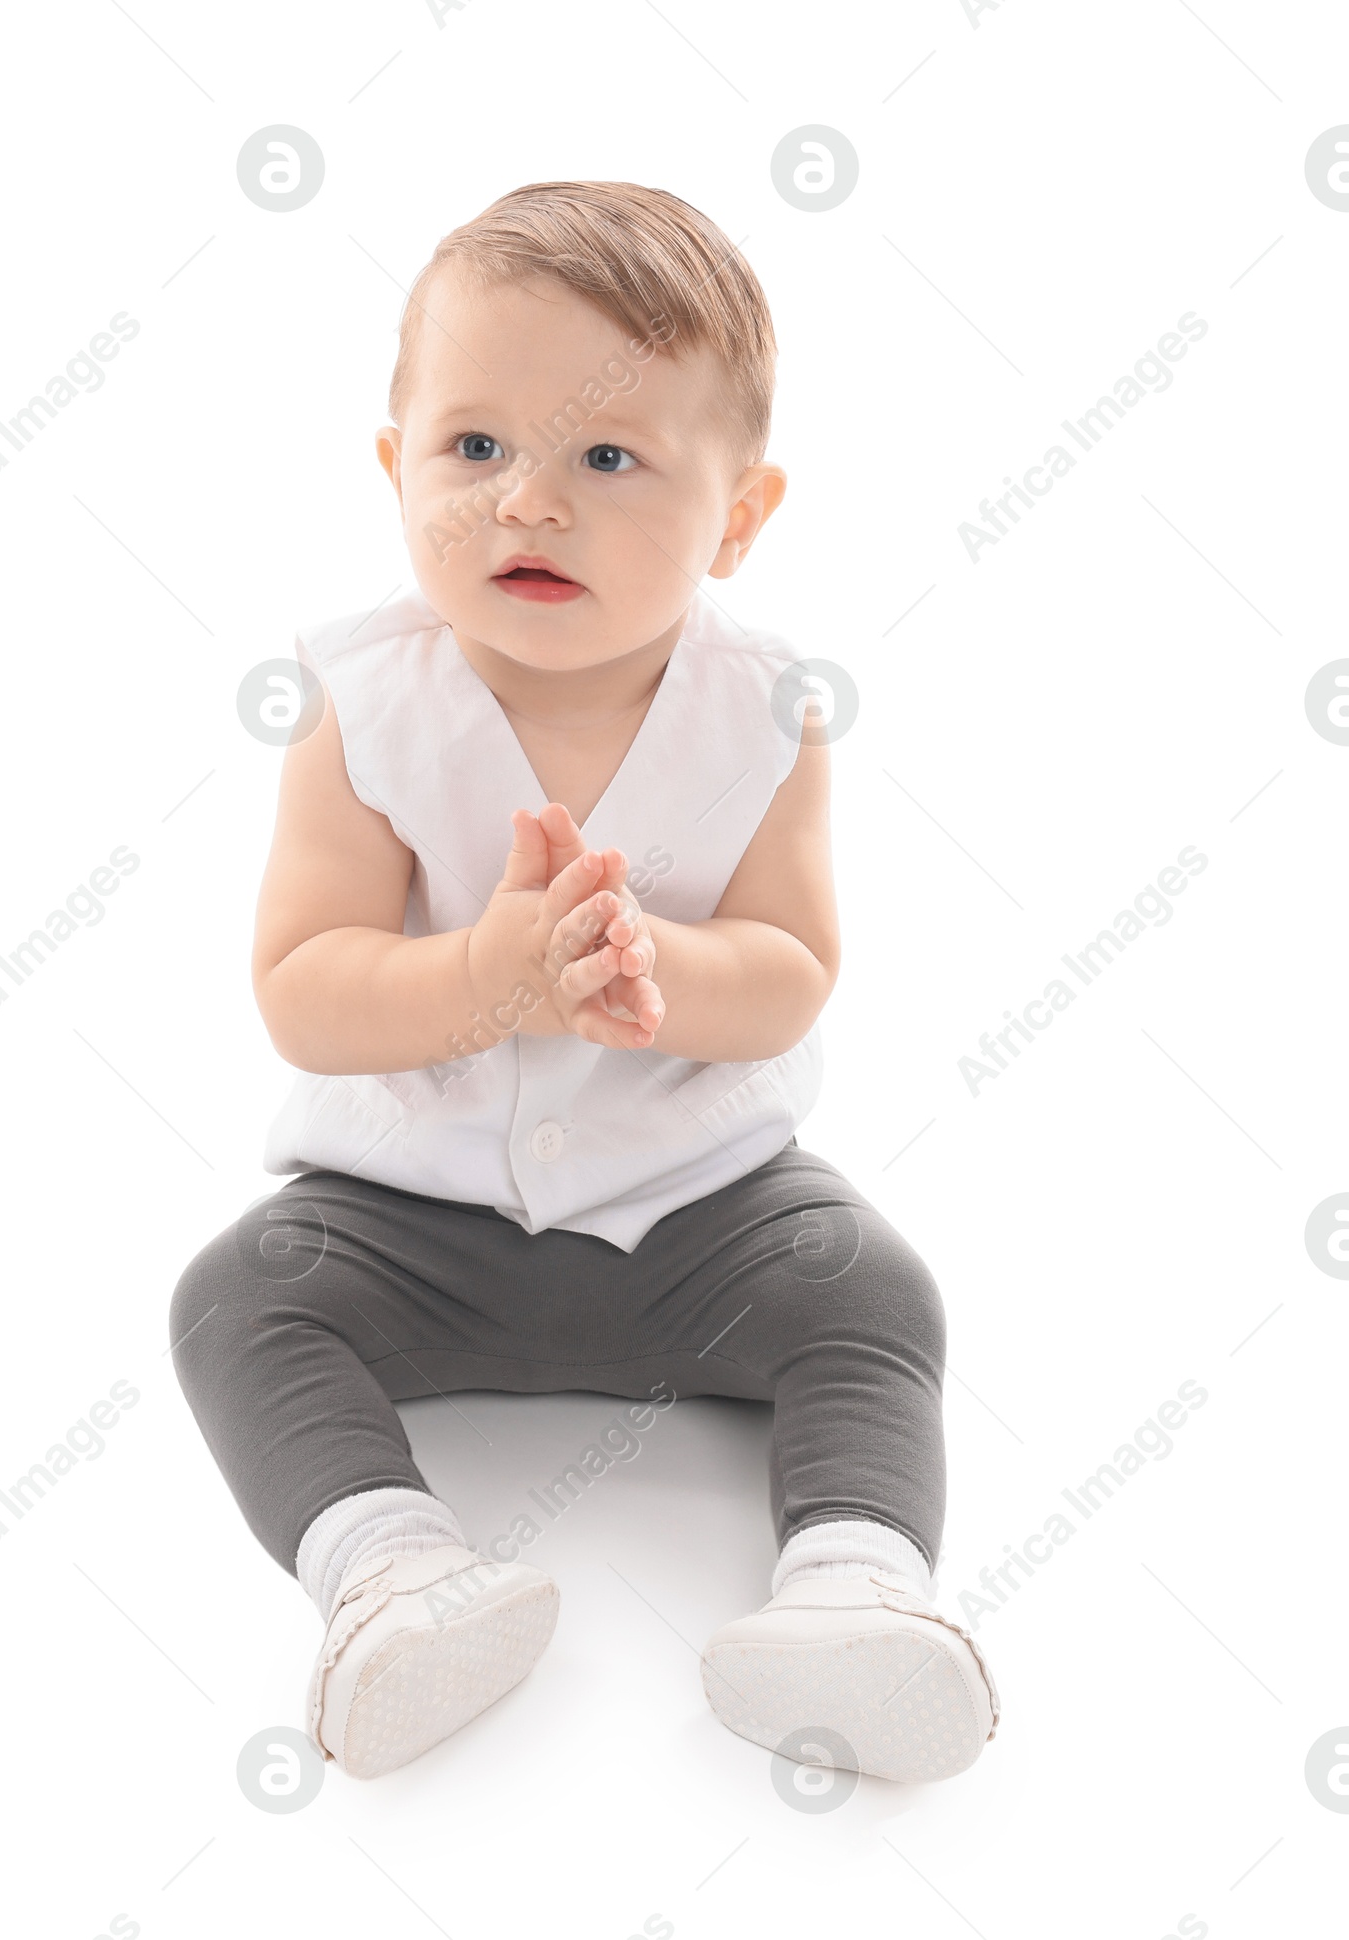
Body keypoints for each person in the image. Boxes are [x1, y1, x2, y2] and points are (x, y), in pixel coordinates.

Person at [170, 180, 998, 1782]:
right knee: (236, 1298)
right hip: (410, 1219)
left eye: (607, 459)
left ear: (740, 516)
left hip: (702, 1212)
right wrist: (485, 976)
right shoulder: (364, 702)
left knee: (876, 1294)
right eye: (475, 448)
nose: (528, 503)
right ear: (395, 463)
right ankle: (392, 1573)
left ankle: (857, 1592)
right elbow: (305, 982)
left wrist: (660, 975)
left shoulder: (769, 711)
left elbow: (792, 967)